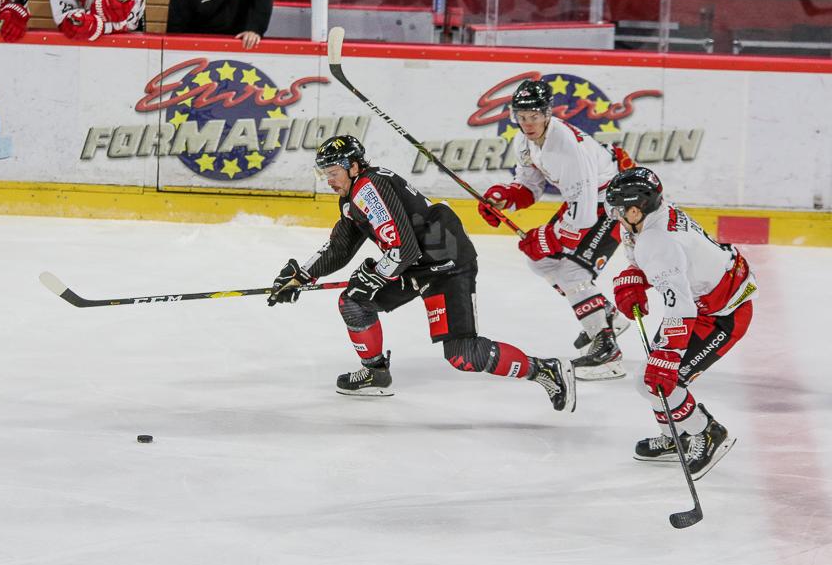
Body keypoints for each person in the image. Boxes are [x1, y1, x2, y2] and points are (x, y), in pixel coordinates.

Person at [267, 135, 576, 413]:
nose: (329, 180)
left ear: (354, 167)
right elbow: (340, 247)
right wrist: (301, 276)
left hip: (446, 266)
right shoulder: (353, 196)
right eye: (325, 174)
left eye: (333, 173)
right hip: (415, 266)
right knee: (354, 301)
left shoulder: (368, 188)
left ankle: (545, 370)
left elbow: (402, 249)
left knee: (463, 354)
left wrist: (374, 273)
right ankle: (375, 373)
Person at [478, 79, 633, 381]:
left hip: (615, 203)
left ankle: (608, 353)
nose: (527, 123)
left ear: (548, 113)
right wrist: (504, 198)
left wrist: (549, 237)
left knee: (573, 271)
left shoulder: (566, 147)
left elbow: (584, 213)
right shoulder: (524, 140)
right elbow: (530, 186)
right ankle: (606, 316)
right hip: (588, 201)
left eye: (534, 116)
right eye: (522, 116)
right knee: (542, 261)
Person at [607, 167, 755, 479]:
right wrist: (634, 277)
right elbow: (662, 263)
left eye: (619, 208)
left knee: (660, 379)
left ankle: (708, 432)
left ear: (635, 209)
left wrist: (669, 353)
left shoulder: (657, 240)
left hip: (723, 316)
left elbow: (681, 305)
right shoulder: (650, 219)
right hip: (703, 305)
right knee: (653, 378)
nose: (614, 214)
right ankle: (677, 437)